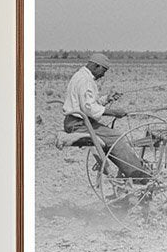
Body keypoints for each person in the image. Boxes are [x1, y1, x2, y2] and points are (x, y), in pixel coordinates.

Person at [62, 53, 148, 181]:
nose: (103, 75)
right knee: (116, 137)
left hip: (76, 122)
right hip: (79, 124)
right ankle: (138, 175)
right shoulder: (85, 80)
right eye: (104, 70)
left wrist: (107, 99)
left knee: (110, 137)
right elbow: (89, 108)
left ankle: (127, 170)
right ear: (96, 66)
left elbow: (89, 103)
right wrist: (114, 112)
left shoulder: (81, 76)